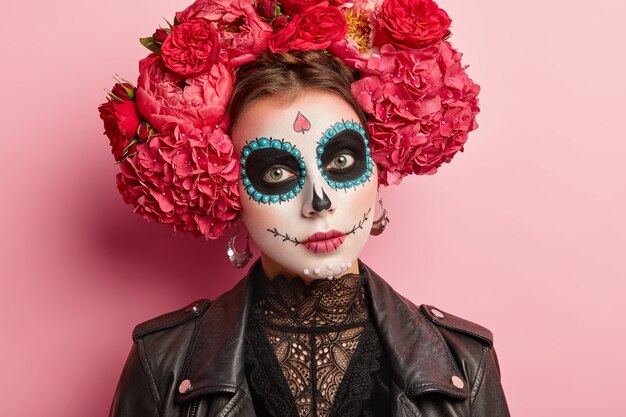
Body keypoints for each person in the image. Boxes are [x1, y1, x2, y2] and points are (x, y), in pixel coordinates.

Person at [100, 1, 509, 416]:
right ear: (225, 188)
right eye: (276, 174)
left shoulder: (464, 364)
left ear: (378, 167)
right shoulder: (162, 365)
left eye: (342, 162)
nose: (319, 202)